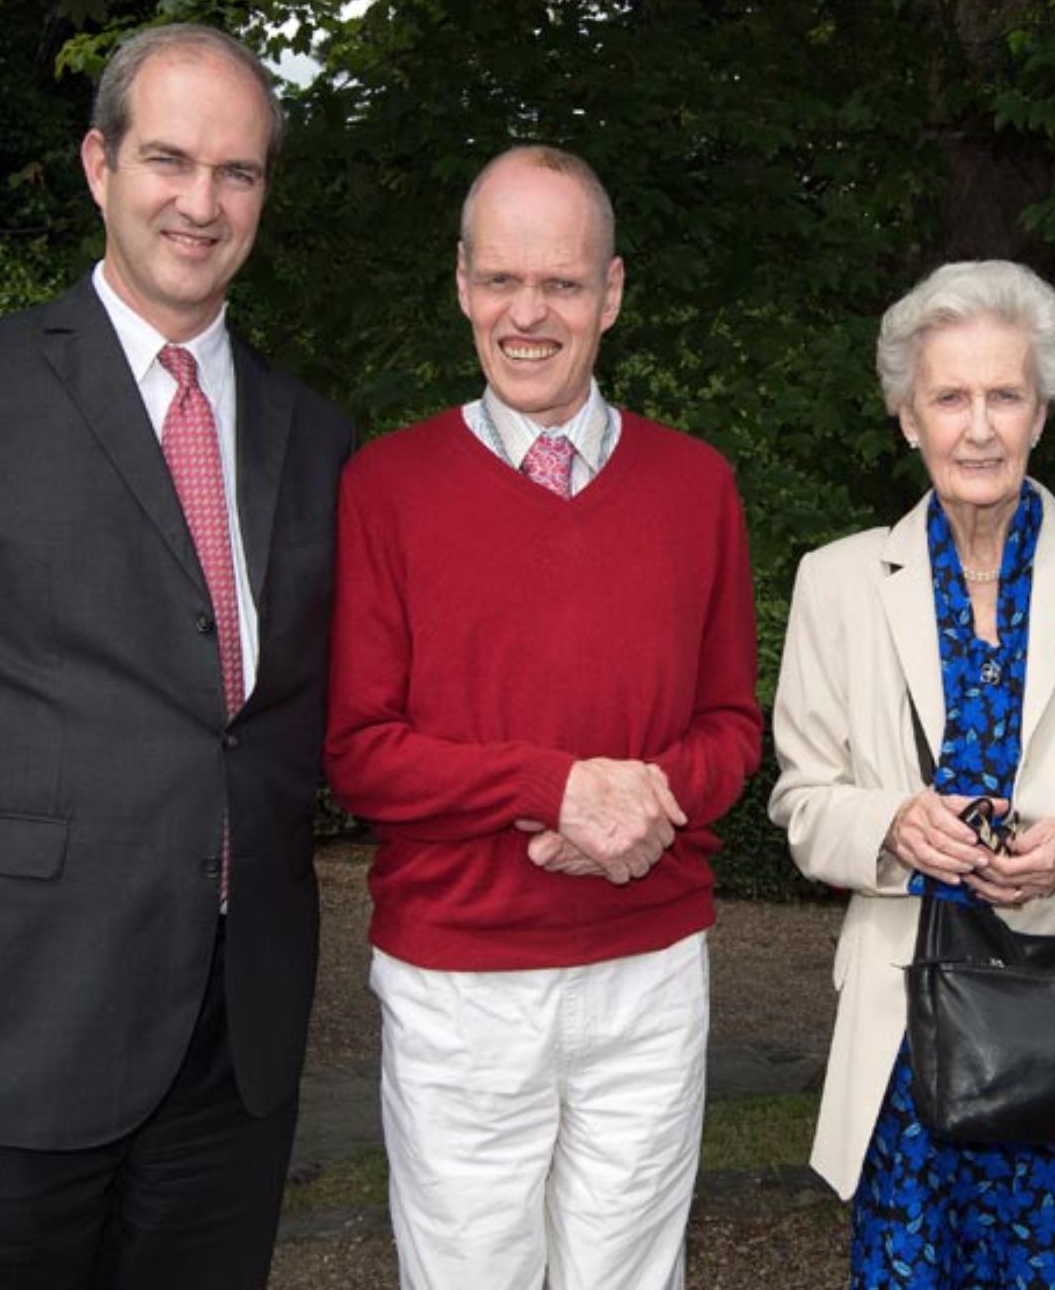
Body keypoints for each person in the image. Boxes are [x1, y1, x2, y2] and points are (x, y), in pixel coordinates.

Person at [0, 23, 354, 1285]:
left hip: (229, 1050)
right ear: (97, 165)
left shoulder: (315, 435)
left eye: (238, 171)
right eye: (168, 159)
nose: (201, 200)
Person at [324, 143, 762, 1290]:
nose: (529, 314)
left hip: (649, 971)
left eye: (561, 284)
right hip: (458, 987)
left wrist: (636, 808)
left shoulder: (695, 485)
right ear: (462, 283)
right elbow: (360, 753)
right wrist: (555, 789)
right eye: (501, 281)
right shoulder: (386, 486)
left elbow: (730, 725)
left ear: (609, 294)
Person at [770, 259, 1055, 1287]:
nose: (976, 426)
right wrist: (889, 824)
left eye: (1003, 395)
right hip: (909, 1038)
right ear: (905, 416)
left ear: (1040, 413)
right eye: (947, 397)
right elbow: (798, 800)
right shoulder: (835, 582)